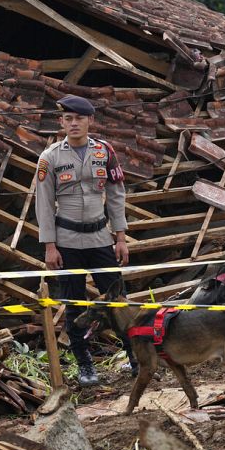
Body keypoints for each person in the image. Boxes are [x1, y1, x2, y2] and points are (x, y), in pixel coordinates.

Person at [35, 94, 135, 386]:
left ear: (90, 120)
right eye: (68, 118)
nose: (74, 123)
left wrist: (120, 237)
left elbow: (116, 196)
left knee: (118, 301)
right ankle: (85, 364)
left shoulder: (105, 151)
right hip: (67, 241)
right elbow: (43, 204)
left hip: (101, 238)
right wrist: (50, 247)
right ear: (61, 122)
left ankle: (134, 355)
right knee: (74, 305)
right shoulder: (50, 157)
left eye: (79, 118)